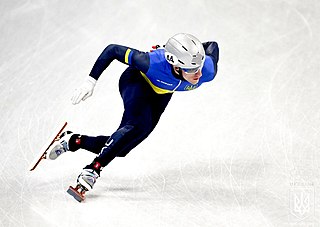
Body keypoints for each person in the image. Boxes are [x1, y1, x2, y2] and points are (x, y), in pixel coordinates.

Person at [47, 33, 219, 191]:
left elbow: (213, 45)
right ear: (175, 66)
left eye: (198, 66)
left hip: (162, 94)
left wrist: (190, 51)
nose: (198, 73)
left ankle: (73, 141)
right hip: (137, 81)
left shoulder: (207, 70)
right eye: (190, 69)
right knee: (136, 125)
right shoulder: (150, 62)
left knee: (122, 148)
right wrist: (90, 82)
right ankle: (92, 169)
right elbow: (112, 50)